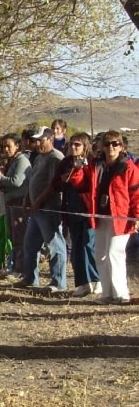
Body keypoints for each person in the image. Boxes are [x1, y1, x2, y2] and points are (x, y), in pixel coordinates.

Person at [69, 130, 139, 304]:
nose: (111, 147)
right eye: (107, 144)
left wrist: (136, 217)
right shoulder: (95, 165)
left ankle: (121, 294)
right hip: (100, 215)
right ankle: (107, 293)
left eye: (115, 144)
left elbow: (136, 194)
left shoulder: (129, 167)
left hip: (121, 217)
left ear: (122, 147)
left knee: (115, 253)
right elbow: (80, 184)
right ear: (101, 147)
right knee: (101, 254)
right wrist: (78, 169)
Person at [13, 126, 67, 291]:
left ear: (50, 139)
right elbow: (33, 180)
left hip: (49, 208)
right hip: (36, 209)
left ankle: (58, 282)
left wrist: (38, 201)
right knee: (30, 244)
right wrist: (27, 198)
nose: (37, 143)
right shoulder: (39, 157)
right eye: (36, 140)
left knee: (54, 245)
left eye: (41, 140)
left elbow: (53, 185)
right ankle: (30, 278)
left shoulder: (56, 158)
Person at [53, 132, 101, 297]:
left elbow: (89, 186)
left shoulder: (93, 163)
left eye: (77, 144)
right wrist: (64, 178)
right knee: (76, 248)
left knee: (89, 245)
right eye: (71, 144)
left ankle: (97, 279)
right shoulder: (66, 162)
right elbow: (55, 184)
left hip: (88, 211)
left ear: (85, 146)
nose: (73, 147)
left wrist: (79, 172)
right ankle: (82, 283)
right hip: (71, 210)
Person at [0, 133, 32, 278]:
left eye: (9, 146)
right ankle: (15, 266)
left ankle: (20, 270)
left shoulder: (22, 161)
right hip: (10, 203)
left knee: (20, 238)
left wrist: (0, 177)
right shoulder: (12, 161)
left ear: (17, 146)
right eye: (4, 146)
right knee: (13, 237)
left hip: (19, 204)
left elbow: (17, 181)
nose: (6, 149)